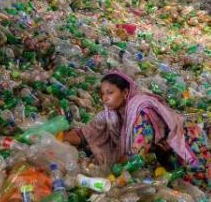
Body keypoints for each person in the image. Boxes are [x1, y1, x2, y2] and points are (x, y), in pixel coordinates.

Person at [63, 70, 198, 169]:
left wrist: (110, 174)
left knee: (198, 193)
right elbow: (84, 134)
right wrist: (55, 139)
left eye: (110, 93)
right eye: (102, 94)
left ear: (125, 93)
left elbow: (135, 156)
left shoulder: (141, 113)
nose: (105, 98)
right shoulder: (112, 113)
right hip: (167, 155)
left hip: (189, 149)